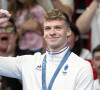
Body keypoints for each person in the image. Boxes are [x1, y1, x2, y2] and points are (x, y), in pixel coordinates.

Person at [0, 9, 94, 90]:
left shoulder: (82, 66)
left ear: (68, 32)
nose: (52, 32)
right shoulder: (28, 63)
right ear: (44, 33)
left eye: (58, 28)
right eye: (48, 28)